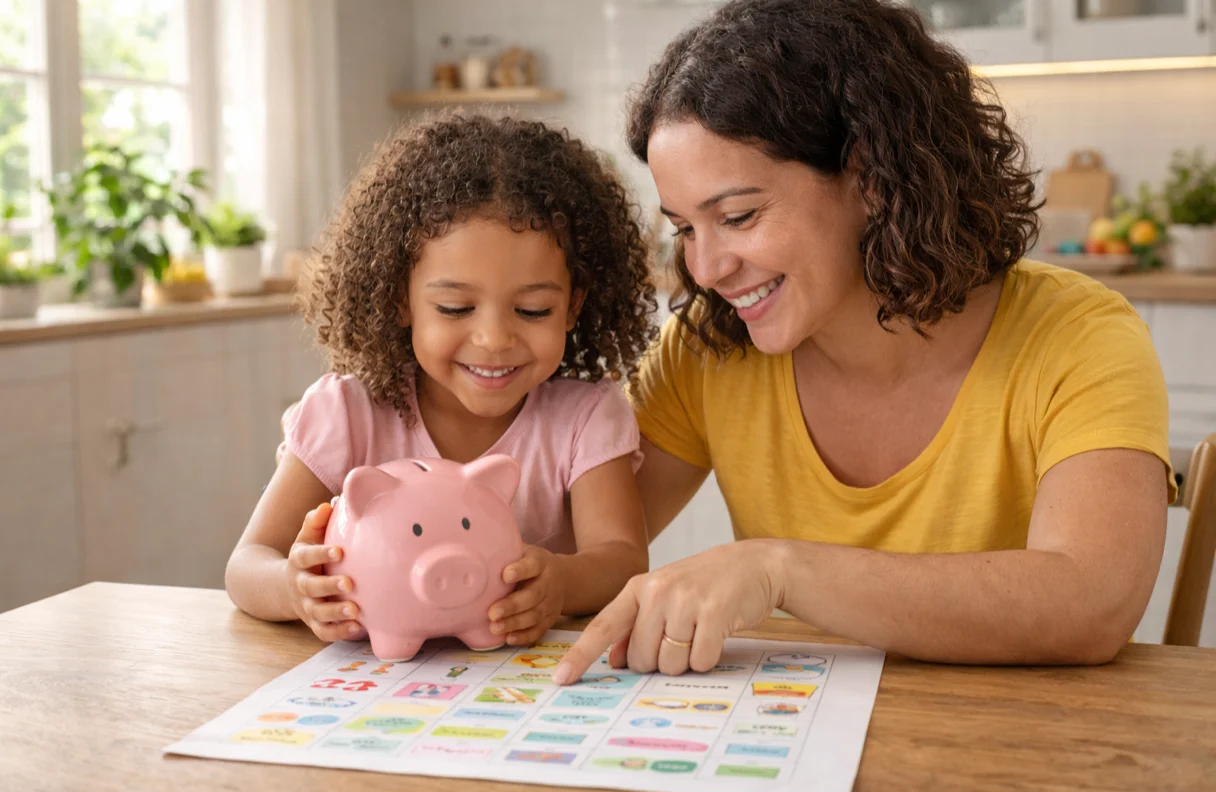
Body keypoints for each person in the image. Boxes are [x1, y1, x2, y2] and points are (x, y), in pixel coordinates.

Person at [555, 0, 1174, 686]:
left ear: (872, 179)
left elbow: (1090, 604)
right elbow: (565, 547)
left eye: (738, 216)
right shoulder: (705, 352)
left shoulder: (1077, 339)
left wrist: (778, 569)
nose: (706, 269)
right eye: (686, 229)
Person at [225, 114, 657, 648]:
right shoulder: (349, 413)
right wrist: (293, 590)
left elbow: (622, 559)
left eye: (532, 309)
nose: (495, 339)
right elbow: (245, 566)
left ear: (573, 306)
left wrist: (562, 583)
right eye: (455, 308)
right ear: (401, 301)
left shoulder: (586, 419)